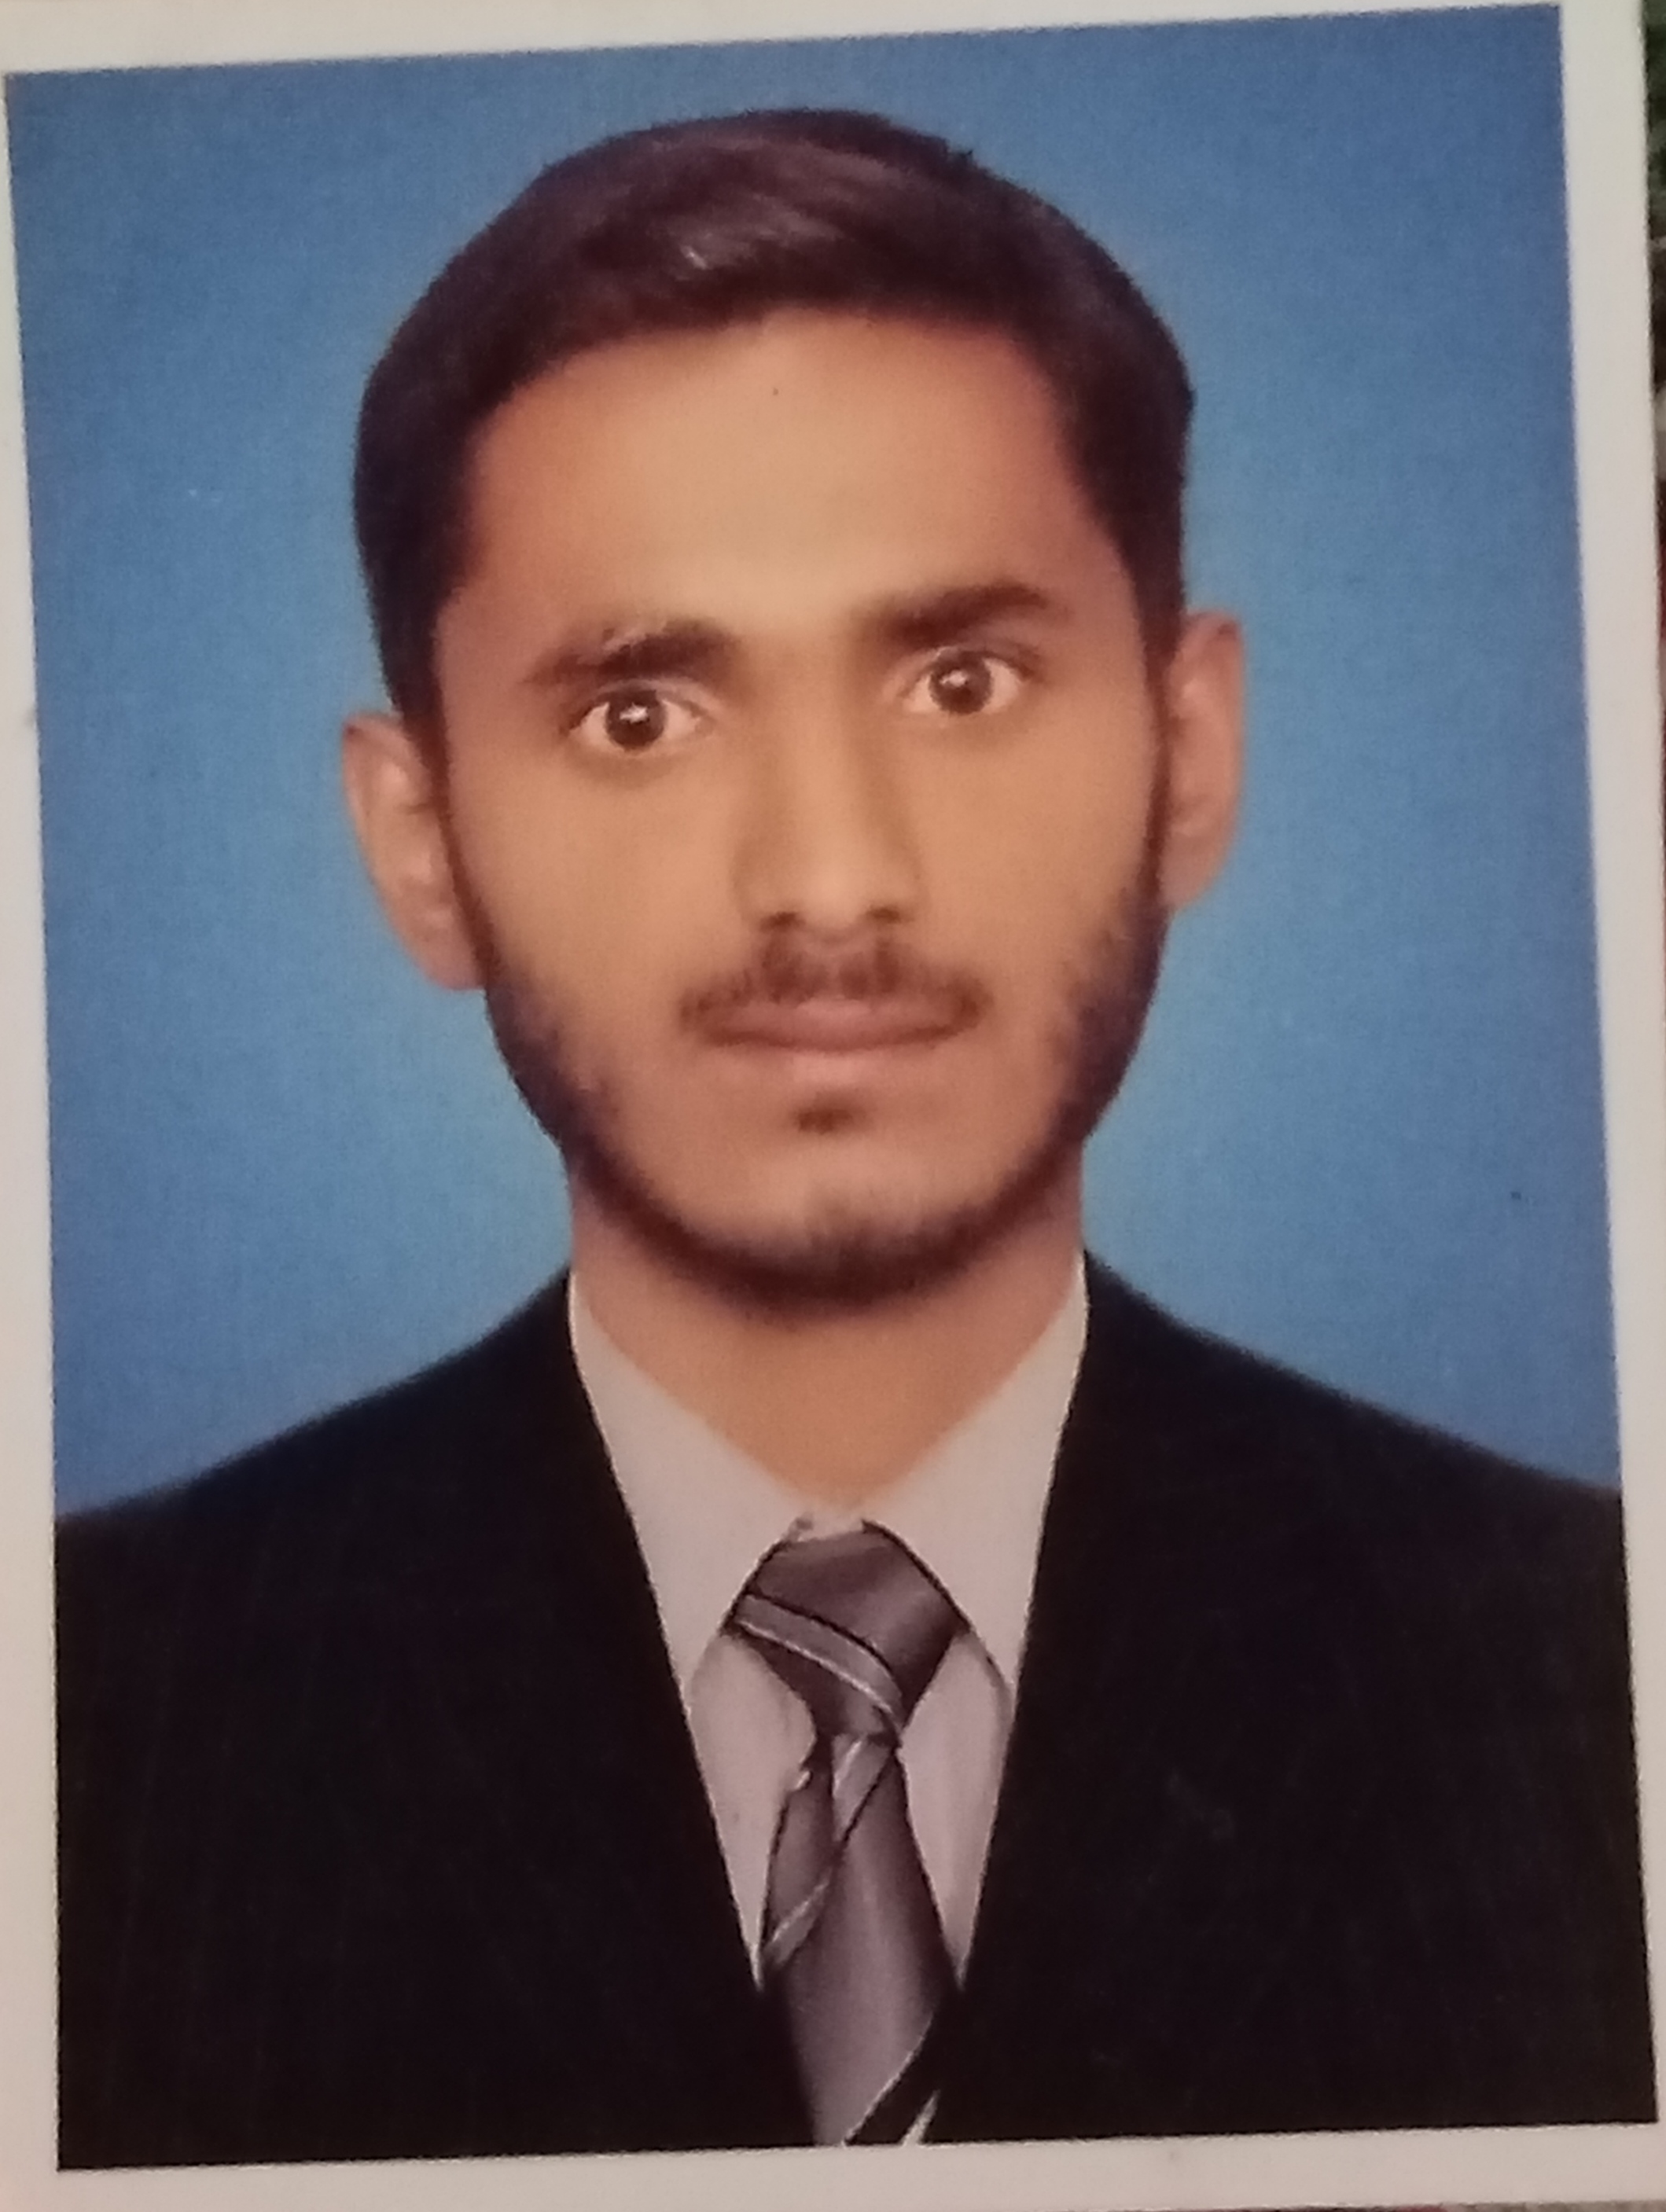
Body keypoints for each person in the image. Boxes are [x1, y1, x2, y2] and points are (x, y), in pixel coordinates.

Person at [54, 108, 1653, 2170]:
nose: (827, 880)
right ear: (419, 839)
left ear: (1191, 754)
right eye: (641, 714)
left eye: (961, 682)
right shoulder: (92, 1725)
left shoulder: (1589, 1677)